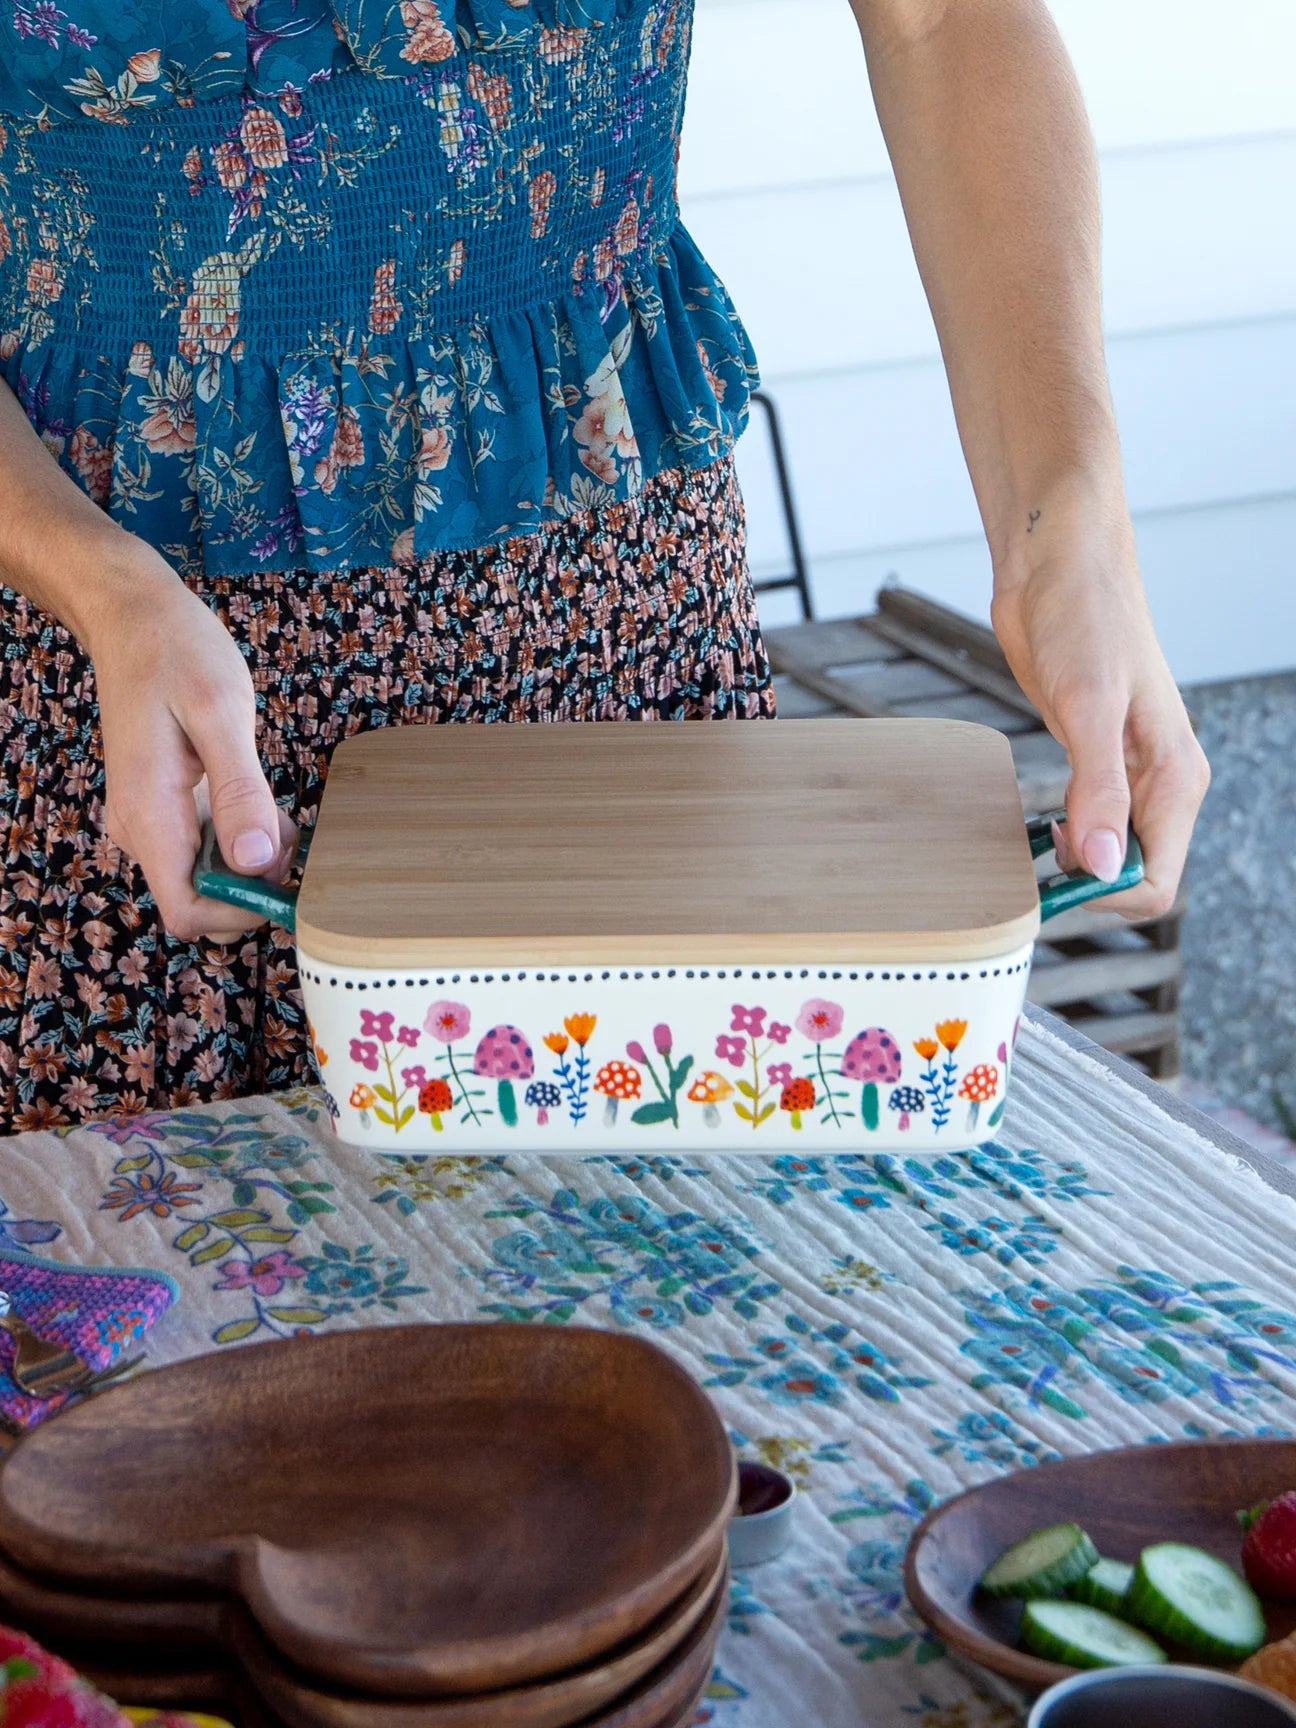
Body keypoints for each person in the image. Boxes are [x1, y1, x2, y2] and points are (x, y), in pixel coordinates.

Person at [0, 0, 1208, 1132]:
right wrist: (97, 586)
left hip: (625, 676)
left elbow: (942, 20)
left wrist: (1071, 525)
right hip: (120, 711)